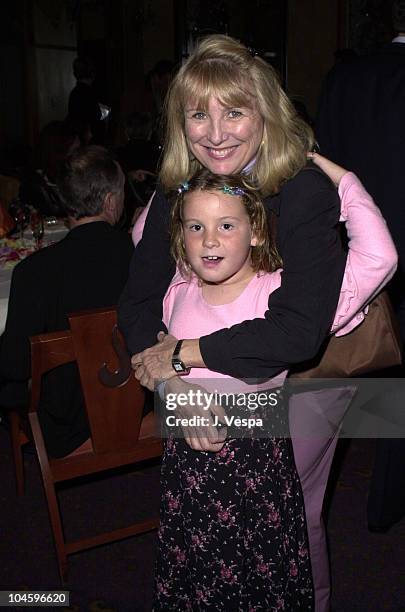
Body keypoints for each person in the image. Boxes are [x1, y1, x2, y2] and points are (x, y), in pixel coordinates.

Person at [117, 35, 394, 611]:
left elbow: (296, 333)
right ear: (179, 122)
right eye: (199, 114)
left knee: (292, 516)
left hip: (304, 375)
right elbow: (137, 307)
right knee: (203, 522)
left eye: (234, 112)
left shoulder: (300, 191)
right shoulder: (178, 191)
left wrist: (180, 353)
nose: (216, 134)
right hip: (198, 377)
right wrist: (173, 389)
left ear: (264, 113)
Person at [154, 164, 396, 610]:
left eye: (226, 225)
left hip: (259, 480)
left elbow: (378, 258)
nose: (209, 240)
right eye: (196, 227)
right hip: (188, 478)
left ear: (257, 232)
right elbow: (160, 370)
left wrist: (335, 175)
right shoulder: (177, 290)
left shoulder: (283, 298)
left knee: (261, 586)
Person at [316, 0, 405, 533]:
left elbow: (325, 170)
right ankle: (385, 497)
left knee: (367, 367)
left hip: (358, 253)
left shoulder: (345, 79)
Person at [0, 146, 133, 458]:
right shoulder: (140, 258)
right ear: (111, 201)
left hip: (63, 427)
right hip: (135, 404)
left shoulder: (33, 272)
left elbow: (14, 365)